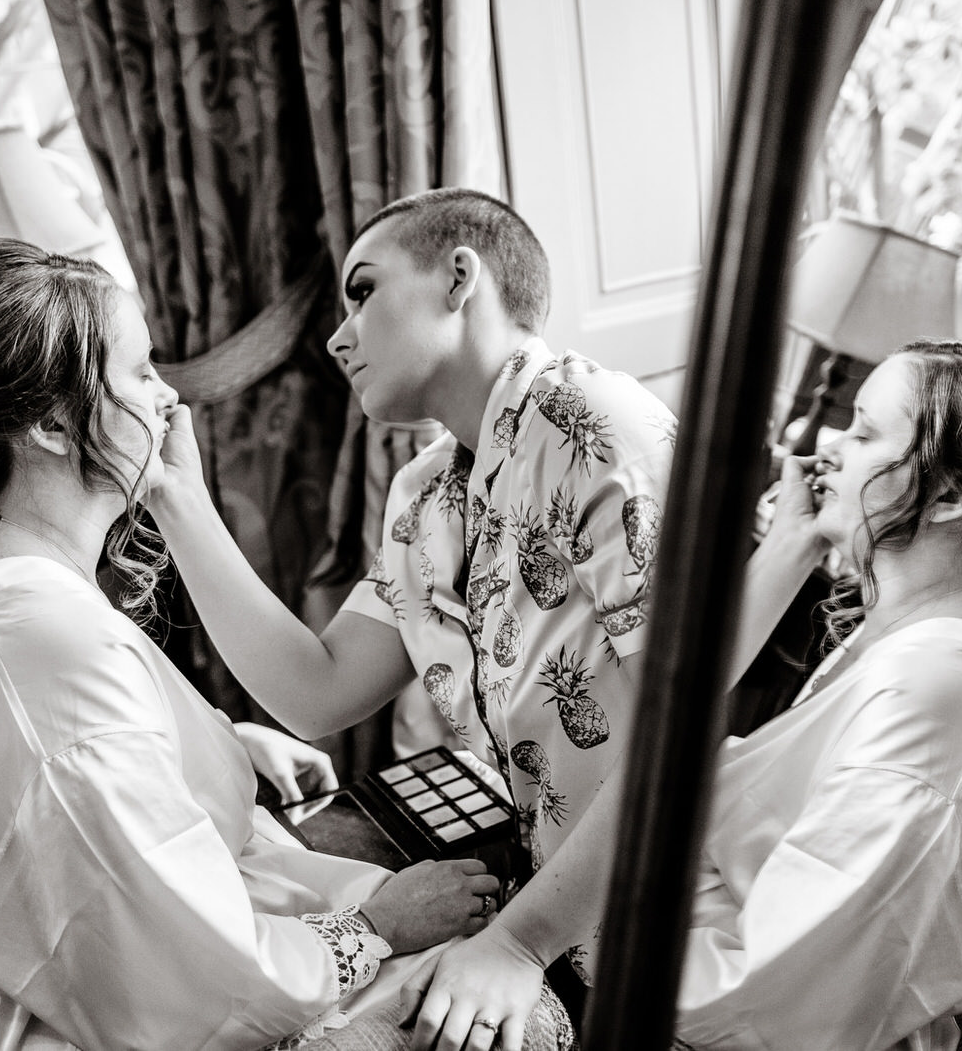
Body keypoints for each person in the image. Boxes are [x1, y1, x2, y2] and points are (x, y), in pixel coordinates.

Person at [0, 238, 500, 1051]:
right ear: (50, 423)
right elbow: (201, 987)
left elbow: (43, 792)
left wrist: (204, 749)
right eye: (142, 371)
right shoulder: (49, 644)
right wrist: (377, 927)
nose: (168, 401)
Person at [401, 336, 962, 1051]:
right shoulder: (909, 642)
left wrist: (549, 943)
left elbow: (774, 996)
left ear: (952, 495)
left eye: (866, 432)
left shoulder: (934, 689)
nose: (831, 446)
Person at [148, 188, 679, 988]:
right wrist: (174, 496)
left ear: (460, 278)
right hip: (551, 915)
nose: (336, 338)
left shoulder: (599, 430)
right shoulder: (425, 494)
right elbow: (316, 692)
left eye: (362, 293)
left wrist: (517, 945)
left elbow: (682, 739)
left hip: (664, 917)